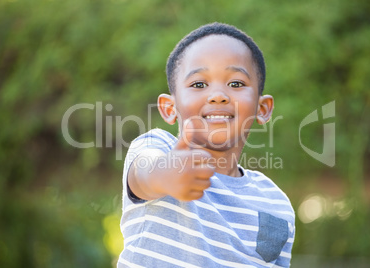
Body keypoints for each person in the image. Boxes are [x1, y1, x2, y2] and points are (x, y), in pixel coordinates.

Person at [118, 22, 295, 268]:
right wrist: (167, 174)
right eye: (199, 84)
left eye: (236, 83)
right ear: (170, 108)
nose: (218, 95)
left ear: (262, 108)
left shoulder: (276, 202)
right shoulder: (157, 146)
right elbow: (144, 176)